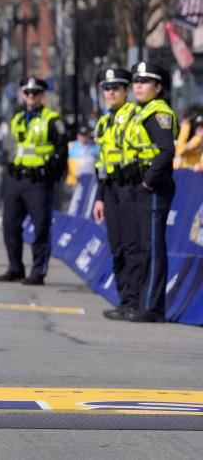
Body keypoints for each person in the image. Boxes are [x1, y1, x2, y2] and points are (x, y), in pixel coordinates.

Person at [0, 77, 67, 285]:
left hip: (39, 181)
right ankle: (15, 267)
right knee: (10, 224)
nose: (31, 97)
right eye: (27, 93)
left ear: (42, 95)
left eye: (35, 93)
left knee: (40, 227)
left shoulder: (52, 120)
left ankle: (38, 272)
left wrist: (52, 177)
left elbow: (62, 152)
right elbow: (11, 146)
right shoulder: (17, 119)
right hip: (18, 179)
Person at [119, 62, 176, 322]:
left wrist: (148, 182)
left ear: (158, 87)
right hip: (138, 186)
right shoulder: (140, 112)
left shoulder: (158, 113)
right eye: (136, 82)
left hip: (152, 188)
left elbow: (166, 151)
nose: (138, 86)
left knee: (152, 248)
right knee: (141, 248)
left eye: (145, 82)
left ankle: (152, 307)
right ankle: (140, 303)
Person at [90, 67, 139, 320]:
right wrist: (99, 196)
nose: (110, 92)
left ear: (126, 90)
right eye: (106, 89)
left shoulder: (135, 115)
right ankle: (124, 299)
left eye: (116, 88)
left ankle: (135, 300)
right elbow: (103, 163)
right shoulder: (104, 121)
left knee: (132, 246)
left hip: (131, 186)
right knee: (117, 246)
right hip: (110, 188)